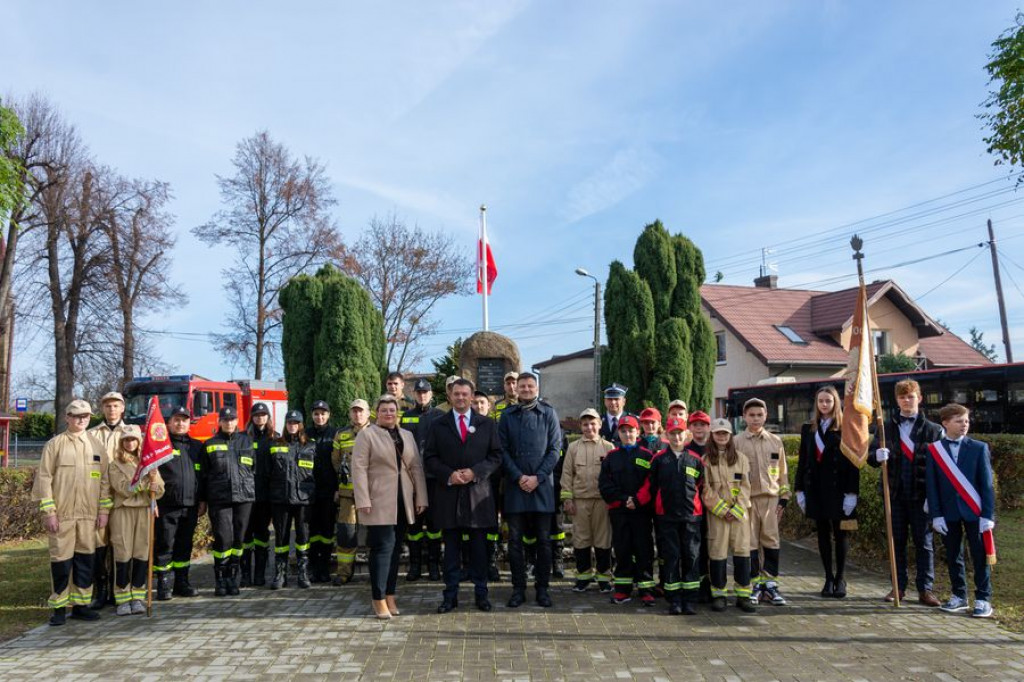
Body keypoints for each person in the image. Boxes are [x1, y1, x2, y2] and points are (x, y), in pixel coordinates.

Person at [424, 378, 503, 612]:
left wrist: (474, 472)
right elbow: (429, 458)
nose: (460, 398)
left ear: (471, 397)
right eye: (456, 394)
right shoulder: (438, 425)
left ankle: (481, 594)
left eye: (464, 394)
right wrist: (449, 474)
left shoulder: (487, 424)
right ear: (450, 396)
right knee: (451, 551)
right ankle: (450, 595)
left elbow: (496, 456)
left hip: (477, 497)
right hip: (448, 496)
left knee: (479, 550)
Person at [32, 400, 112, 626]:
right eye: (76, 416)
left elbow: (105, 481)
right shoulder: (55, 445)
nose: (81, 420)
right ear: (67, 417)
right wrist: (49, 512)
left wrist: (104, 511)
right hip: (63, 515)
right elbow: (44, 479)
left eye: (85, 416)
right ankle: (58, 607)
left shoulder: (97, 446)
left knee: (85, 560)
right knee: (61, 561)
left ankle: (81, 605)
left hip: (89, 517)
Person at [352, 394, 428, 619]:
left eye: (392, 410)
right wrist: (363, 499)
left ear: (398, 413)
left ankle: (391, 594)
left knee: (395, 550)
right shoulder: (367, 435)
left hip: (403, 501)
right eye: (384, 410)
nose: (389, 413)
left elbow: (415, 467)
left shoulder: (406, 435)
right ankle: (378, 598)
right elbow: (358, 468)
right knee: (383, 549)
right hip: (378, 501)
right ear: (376, 412)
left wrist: (421, 497)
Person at [869, 379, 943, 606]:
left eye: (910, 396)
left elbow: (941, 467)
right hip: (895, 496)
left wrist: (934, 498)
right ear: (897, 400)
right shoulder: (885, 428)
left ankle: (925, 589)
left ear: (919, 398)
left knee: (924, 544)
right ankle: (898, 587)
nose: (906, 400)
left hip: (922, 497)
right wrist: (876, 456)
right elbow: (871, 458)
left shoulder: (934, 430)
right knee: (896, 542)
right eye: (902, 397)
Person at [498, 372, 562, 608]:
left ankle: (543, 589)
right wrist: (519, 476)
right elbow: (501, 450)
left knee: (544, 541)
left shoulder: (549, 413)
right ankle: (518, 589)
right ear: (516, 389)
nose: (525, 389)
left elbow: (555, 450)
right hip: (516, 487)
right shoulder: (507, 415)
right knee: (515, 541)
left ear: (536, 388)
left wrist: (538, 477)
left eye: (530, 385)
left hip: (542, 487)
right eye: (522, 386)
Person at [926, 403, 996, 618]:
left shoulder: (978, 447)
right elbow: (932, 484)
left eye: (966, 421)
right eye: (959, 421)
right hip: (948, 513)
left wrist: (988, 515)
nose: (964, 425)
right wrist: (936, 514)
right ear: (945, 423)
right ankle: (959, 595)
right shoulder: (934, 450)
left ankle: (983, 598)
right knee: (953, 555)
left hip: (975, 512)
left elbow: (987, 485)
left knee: (979, 555)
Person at [795, 386, 859, 599]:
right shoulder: (808, 429)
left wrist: (852, 492)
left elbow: (853, 462)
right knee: (822, 534)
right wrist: (799, 489)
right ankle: (828, 577)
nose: (824, 405)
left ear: (836, 403)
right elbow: (803, 460)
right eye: (821, 401)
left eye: (828, 401)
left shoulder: (846, 428)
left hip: (839, 490)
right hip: (816, 489)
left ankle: (841, 578)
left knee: (841, 535)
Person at [637, 418, 705, 615]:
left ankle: (690, 599)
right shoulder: (658, 460)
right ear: (666, 435)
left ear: (686, 435)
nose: (676, 437)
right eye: (673, 433)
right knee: (671, 557)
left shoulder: (696, 459)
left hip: (691, 518)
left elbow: (700, 484)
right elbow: (651, 485)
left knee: (691, 557)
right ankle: (674, 599)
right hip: (666, 517)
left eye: (680, 433)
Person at [735, 397, 790, 605]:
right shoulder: (736, 442)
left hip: (771, 500)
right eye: (751, 415)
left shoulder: (775, 442)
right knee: (750, 543)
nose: (756, 419)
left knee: (771, 542)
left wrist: (783, 499)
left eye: (760, 415)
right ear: (744, 417)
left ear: (766, 415)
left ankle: (771, 585)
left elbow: (782, 472)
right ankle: (755, 584)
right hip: (747, 501)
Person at [107, 427, 165, 615]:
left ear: (139, 442)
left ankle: (138, 596)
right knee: (123, 553)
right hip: (123, 510)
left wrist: (155, 484)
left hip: (143, 510)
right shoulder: (115, 464)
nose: (130, 443)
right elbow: (123, 488)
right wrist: (146, 482)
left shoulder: (149, 464)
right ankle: (122, 598)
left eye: (133, 440)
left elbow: (161, 490)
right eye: (126, 440)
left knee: (141, 553)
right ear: (121, 443)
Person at [599, 416, 656, 605]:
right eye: (623, 431)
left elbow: (652, 482)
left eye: (631, 430)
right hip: (620, 511)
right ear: (619, 434)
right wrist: (624, 500)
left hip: (641, 512)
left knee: (644, 549)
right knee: (622, 549)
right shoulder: (611, 457)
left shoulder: (648, 456)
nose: (627, 434)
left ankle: (646, 588)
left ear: (638, 432)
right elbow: (605, 484)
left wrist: (638, 500)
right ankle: (623, 589)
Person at [199, 407, 255, 597]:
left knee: (239, 539)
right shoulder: (210, 444)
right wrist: (203, 500)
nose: (229, 423)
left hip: (244, 498)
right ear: (220, 422)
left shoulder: (247, 441)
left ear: (237, 420)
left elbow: (253, 469)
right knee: (223, 539)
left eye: (232, 419)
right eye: (225, 419)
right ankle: (220, 579)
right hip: (220, 500)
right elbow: (203, 476)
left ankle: (233, 577)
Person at [702, 419, 755, 613]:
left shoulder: (741, 458)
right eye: (718, 433)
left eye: (725, 433)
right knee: (717, 555)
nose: (722, 437)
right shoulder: (706, 460)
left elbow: (746, 487)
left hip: (739, 516)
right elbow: (706, 490)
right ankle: (719, 595)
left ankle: (743, 595)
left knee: (742, 554)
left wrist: (736, 510)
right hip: (718, 516)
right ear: (712, 435)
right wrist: (724, 511)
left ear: (730, 435)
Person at [561, 409, 615, 593]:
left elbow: (614, 476)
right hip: (580, 501)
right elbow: (567, 473)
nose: (589, 427)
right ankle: (583, 577)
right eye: (585, 424)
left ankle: (604, 578)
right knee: (581, 539)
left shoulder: (608, 448)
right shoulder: (573, 447)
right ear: (580, 426)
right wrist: (567, 498)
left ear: (600, 424)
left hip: (602, 502)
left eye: (593, 423)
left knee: (603, 539)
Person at [87, 391, 131, 610]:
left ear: (123, 408)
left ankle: (119, 588)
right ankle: (101, 589)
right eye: (108, 406)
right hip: (99, 497)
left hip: (124, 498)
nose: (112, 410)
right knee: (99, 544)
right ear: (102, 409)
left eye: (116, 406)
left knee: (121, 544)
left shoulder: (132, 432)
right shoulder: (91, 434)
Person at [400, 378, 447, 581]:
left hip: (434, 478)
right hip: (412, 478)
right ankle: (415, 566)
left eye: (425, 392)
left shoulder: (440, 416)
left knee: (435, 525)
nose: (422, 395)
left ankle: (434, 565)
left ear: (431, 394)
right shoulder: (406, 417)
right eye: (418, 392)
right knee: (415, 526)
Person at [153, 406, 202, 600]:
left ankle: (182, 582)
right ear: (168, 423)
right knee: (165, 544)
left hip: (190, 506)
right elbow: (151, 475)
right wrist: (153, 502)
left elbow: (203, 476)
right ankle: (164, 583)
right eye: (176, 420)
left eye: (184, 420)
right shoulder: (160, 446)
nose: (180, 423)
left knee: (184, 545)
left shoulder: (197, 447)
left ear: (189, 423)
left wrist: (202, 500)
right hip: (166, 506)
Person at [268, 410, 316, 589]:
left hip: (303, 499)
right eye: (290, 423)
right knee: (281, 538)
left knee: (303, 537)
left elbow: (317, 473)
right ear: (285, 424)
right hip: (281, 499)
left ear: (301, 425)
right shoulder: (275, 444)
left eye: (296, 423)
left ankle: (303, 573)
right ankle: (280, 574)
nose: (292, 426)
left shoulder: (310, 446)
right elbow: (267, 473)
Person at [331, 399, 371, 585]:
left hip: (372, 496)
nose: (357, 415)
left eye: (361, 411)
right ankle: (344, 573)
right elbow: (336, 462)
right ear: (350, 414)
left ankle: (376, 572)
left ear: (368, 413)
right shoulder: (341, 435)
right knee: (346, 535)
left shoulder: (377, 433)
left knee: (374, 535)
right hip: (348, 496)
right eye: (354, 411)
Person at [242, 402, 275, 588]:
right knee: (246, 536)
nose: (260, 418)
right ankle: (245, 574)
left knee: (262, 535)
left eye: (263, 414)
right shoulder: (243, 438)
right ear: (251, 417)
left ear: (268, 417)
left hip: (266, 496)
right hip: (246, 495)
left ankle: (260, 574)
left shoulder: (275, 439)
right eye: (256, 414)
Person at [473, 390, 503, 581]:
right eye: (475, 403)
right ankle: (470, 564)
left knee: (492, 527)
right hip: (471, 485)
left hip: (493, 484)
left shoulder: (496, 427)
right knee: (470, 528)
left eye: (482, 403)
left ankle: (491, 563)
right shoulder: (464, 426)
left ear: (489, 406)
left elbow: (498, 455)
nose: (479, 406)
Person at [308, 400, 339, 583]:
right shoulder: (306, 434)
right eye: (316, 414)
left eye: (323, 413)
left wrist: (337, 489)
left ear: (329, 415)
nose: (319, 417)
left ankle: (324, 568)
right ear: (312, 416)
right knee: (312, 531)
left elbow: (339, 463)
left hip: (329, 491)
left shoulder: (335, 434)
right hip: (309, 491)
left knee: (327, 530)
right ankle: (313, 567)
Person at [687, 410, 713, 602]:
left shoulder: (716, 449)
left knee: (714, 546)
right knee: (698, 547)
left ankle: (714, 583)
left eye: (702, 425)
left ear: (708, 427)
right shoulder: (686, 450)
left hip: (715, 507)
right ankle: (699, 585)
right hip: (694, 507)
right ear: (690, 428)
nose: (699, 428)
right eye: (695, 425)